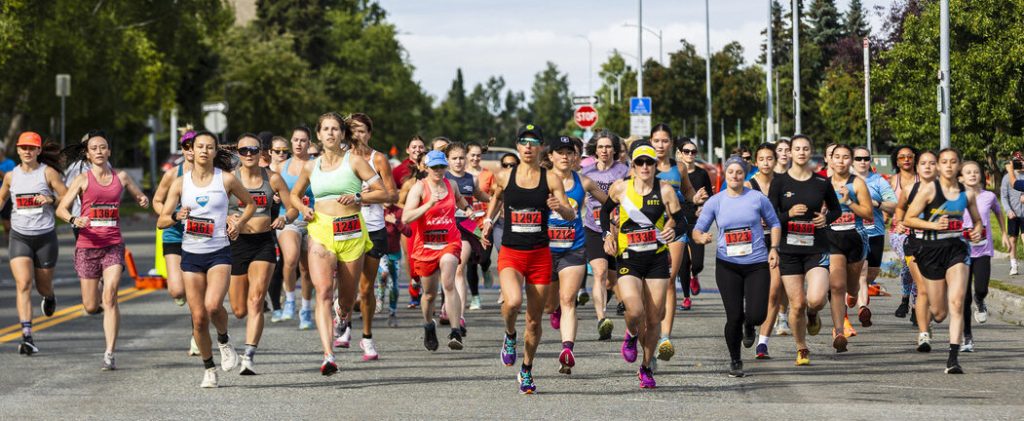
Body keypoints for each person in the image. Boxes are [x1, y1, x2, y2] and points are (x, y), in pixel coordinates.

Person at [288, 112, 387, 375]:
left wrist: (357, 196)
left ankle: (342, 316)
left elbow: (385, 192)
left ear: (342, 134)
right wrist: (303, 209)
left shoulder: (354, 161)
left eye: (335, 129)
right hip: (321, 230)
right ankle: (328, 355)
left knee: (345, 299)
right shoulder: (311, 166)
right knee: (323, 292)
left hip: (352, 232)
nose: (331, 133)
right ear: (318, 135)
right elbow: (294, 195)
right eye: (326, 129)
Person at [480, 123, 576, 394]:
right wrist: (488, 220)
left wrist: (561, 207)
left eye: (534, 142)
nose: (529, 146)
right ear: (518, 145)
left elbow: (570, 213)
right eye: (524, 141)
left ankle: (527, 369)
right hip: (511, 252)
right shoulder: (504, 175)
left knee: (535, 320)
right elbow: (496, 199)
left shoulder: (551, 179)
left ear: (541, 147)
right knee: (512, 302)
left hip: (539, 254)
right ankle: (510, 335)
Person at [157, 131, 257, 388]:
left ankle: (224, 340)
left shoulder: (225, 179)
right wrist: (177, 216)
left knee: (213, 306)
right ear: (191, 150)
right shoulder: (180, 183)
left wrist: (238, 223)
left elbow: (250, 204)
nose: (203, 151)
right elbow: (161, 221)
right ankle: (208, 367)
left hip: (219, 252)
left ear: (215, 151)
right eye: (199, 146)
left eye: (209, 147)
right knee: (199, 317)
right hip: (191, 254)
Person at [56, 130, 149, 369]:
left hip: (113, 244)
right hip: (87, 246)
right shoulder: (82, 179)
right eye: (94, 148)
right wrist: (74, 220)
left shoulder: (122, 177)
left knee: (110, 297)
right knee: (90, 305)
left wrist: (142, 200)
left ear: (109, 151)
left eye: (103, 147)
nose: (99, 151)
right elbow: (62, 209)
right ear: (87, 155)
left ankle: (110, 352)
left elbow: (139, 196)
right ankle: (97, 288)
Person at [599, 140, 685, 388]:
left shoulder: (665, 190)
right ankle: (632, 334)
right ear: (633, 166)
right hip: (629, 258)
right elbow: (605, 213)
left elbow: (681, 221)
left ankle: (646, 367)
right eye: (640, 162)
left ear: (655, 165)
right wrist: (607, 235)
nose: (645, 166)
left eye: (649, 162)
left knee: (655, 318)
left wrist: (673, 232)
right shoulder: (621, 189)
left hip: (657, 259)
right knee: (635, 311)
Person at [693, 156, 780, 377]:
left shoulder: (757, 198)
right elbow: (698, 228)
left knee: (757, 314)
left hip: (757, 264)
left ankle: (750, 325)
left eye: (739, 172)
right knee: (733, 317)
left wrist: (774, 248)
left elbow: (775, 223)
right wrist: (701, 238)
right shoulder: (716, 201)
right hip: (727, 265)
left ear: (745, 174)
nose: (734, 175)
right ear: (726, 174)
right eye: (730, 172)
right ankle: (735, 359)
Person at [902, 148, 983, 374]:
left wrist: (977, 231)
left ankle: (953, 358)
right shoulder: (928, 190)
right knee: (939, 313)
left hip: (957, 250)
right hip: (931, 251)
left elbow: (977, 222)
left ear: (958, 165)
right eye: (944, 162)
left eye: (953, 162)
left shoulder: (967, 194)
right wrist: (933, 225)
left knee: (957, 302)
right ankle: (932, 322)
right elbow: (909, 218)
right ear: (938, 166)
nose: (948, 165)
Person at [225, 134, 298, 375]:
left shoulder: (272, 178)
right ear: (237, 151)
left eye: (253, 150)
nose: (248, 154)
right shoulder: (229, 180)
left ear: (261, 152)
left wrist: (284, 217)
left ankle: (249, 356)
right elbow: (214, 209)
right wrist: (226, 217)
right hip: (236, 243)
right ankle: (229, 345)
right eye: (243, 150)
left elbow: (293, 208)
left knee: (256, 299)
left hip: (263, 243)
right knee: (238, 310)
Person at [768, 134, 841, 366]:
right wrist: (788, 215)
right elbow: (769, 216)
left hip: (816, 247)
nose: (801, 152)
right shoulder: (779, 182)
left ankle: (813, 313)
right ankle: (801, 347)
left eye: (805, 148)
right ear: (789, 152)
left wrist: (825, 219)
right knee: (796, 303)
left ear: (811, 152)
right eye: (796, 148)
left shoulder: (821, 182)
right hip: (789, 250)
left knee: (816, 300)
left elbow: (836, 210)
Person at [543, 136, 608, 375]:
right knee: (550, 305)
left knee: (569, 299)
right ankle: (555, 311)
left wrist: (616, 218)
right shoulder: (540, 181)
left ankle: (567, 350)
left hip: (574, 246)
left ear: (575, 157)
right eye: (559, 152)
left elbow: (610, 201)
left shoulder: (584, 181)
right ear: (550, 156)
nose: (564, 156)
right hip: (545, 249)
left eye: (569, 152)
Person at [0, 132, 67, 355]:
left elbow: (67, 197)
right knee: (24, 284)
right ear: (17, 150)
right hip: (19, 236)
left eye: (32, 148)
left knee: (42, 286)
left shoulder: (48, 173)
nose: (27, 151)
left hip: (45, 237)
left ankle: (49, 296)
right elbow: (1, 198)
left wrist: (50, 199)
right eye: (23, 148)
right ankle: (27, 335)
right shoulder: (11, 176)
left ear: (39, 151)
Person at [339, 113, 398, 360]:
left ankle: (366, 337)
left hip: (373, 227)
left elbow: (392, 195)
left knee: (365, 288)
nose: (358, 135)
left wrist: (362, 196)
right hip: (346, 227)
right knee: (346, 286)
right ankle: (345, 326)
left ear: (369, 134)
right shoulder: (340, 159)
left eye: (362, 131)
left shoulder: (379, 159)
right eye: (353, 130)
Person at [403, 150, 473, 350]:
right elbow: (406, 217)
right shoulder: (419, 188)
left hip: (449, 241)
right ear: (426, 168)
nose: (439, 171)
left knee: (449, 282)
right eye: (434, 167)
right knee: (429, 295)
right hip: (425, 246)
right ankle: (428, 325)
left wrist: (467, 208)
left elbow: (459, 199)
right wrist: (429, 205)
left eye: (442, 166)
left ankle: (455, 331)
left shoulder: (452, 185)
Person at [650, 125, 703, 366]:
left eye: (664, 141)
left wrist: (696, 198)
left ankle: (664, 337)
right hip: (648, 229)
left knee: (669, 280)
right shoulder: (641, 166)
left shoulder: (678, 168)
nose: (660, 145)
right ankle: (648, 333)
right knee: (649, 284)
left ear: (671, 143)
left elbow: (689, 191)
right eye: (656, 140)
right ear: (651, 142)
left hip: (676, 228)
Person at [580, 130, 630, 340]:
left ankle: (608, 299)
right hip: (594, 228)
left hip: (620, 230)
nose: (604, 150)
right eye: (600, 147)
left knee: (612, 279)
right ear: (595, 149)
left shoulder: (624, 171)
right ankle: (602, 320)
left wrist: (621, 218)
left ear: (615, 149)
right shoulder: (588, 173)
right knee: (599, 272)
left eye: (608, 146)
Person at [824, 144, 874, 350]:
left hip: (855, 237)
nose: (841, 161)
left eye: (846, 157)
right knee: (836, 286)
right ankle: (838, 331)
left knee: (851, 288)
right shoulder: (823, 184)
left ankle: (854, 296)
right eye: (837, 157)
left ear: (851, 161)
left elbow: (868, 213)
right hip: (833, 238)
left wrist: (849, 202)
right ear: (830, 160)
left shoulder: (858, 184)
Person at [271, 127, 316, 327]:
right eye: (296, 140)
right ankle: (289, 300)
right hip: (287, 217)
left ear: (309, 143)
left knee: (307, 270)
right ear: (291, 142)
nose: (299, 144)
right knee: (290, 258)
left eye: (303, 140)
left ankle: (305, 309)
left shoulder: (316, 166)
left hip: (313, 219)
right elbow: (273, 188)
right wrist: (274, 196)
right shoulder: (282, 167)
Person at [747, 144, 788, 359]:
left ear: (776, 160)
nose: (765, 162)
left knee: (774, 291)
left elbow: (789, 212)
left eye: (769, 158)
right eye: (761, 159)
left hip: (776, 243)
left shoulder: (783, 184)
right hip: (751, 244)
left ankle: (763, 343)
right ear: (755, 162)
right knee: (753, 293)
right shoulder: (748, 185)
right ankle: (749, 324)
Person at [960, 161, 1004, 352]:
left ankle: (981, 300)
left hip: (983, 250)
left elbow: (998, 212)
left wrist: (1003, 233)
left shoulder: (989, 196)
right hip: (961, 253)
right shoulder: (957, 197)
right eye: (968, 172)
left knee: (981, 288)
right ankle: (967, 338)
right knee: (964, 297)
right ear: (961, 177)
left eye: (976, 172)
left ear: (981, 175)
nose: (972, 175)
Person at [851, 146, 897, 328]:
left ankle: (854, 294)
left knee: (869, 275)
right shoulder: (846, 181)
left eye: (866, 158)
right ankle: (863, 307)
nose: (863, 162)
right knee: (861, 274)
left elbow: (893, 206)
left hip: (875, 233)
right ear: (852, 161)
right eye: (858, 159)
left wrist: (876, 203)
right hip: (853, 234)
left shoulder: (878, 181)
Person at [676, 138, 714, 312]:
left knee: (697, 263)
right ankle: (686, 297)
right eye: (686, 151)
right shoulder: (675, 173)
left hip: (697, 221)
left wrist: (704, 207)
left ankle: (695, 274)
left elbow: (711, 197)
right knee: (683, 263)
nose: (690, 155)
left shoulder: (701, 174)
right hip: (679, 220)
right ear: (679, 153)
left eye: (693, 152)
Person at [889, 145, 919, 318]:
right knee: (910, 262)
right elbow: (886, 203)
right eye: (902, 157)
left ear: (915, 158)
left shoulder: (923, 180)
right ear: (897, 161)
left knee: (913, 266)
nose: (906, 159)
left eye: (910, 156)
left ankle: (911, 302)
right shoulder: (893, 181)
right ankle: (908, 300)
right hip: (899, 231)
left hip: (920, 230)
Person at [465, 141, 496, 308]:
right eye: (472, 155)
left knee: (483, 258)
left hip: (484, 222)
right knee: (470, 262)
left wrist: (489, 218)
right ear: (466, 155)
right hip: (467, 224)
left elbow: (494, 198)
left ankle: (486, 267)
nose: (475, 158)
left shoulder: (488, 175)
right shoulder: (460, 175)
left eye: (478, 155)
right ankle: (475, 297)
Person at [999, 155, 1024, 276]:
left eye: (1021, 161)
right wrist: (1008, 210)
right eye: (1016, 162)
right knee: (1013, 239)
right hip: (1013, 213)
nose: (1019, 164)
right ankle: (1013, 264)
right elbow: (1003, 196)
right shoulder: (1006, 178)